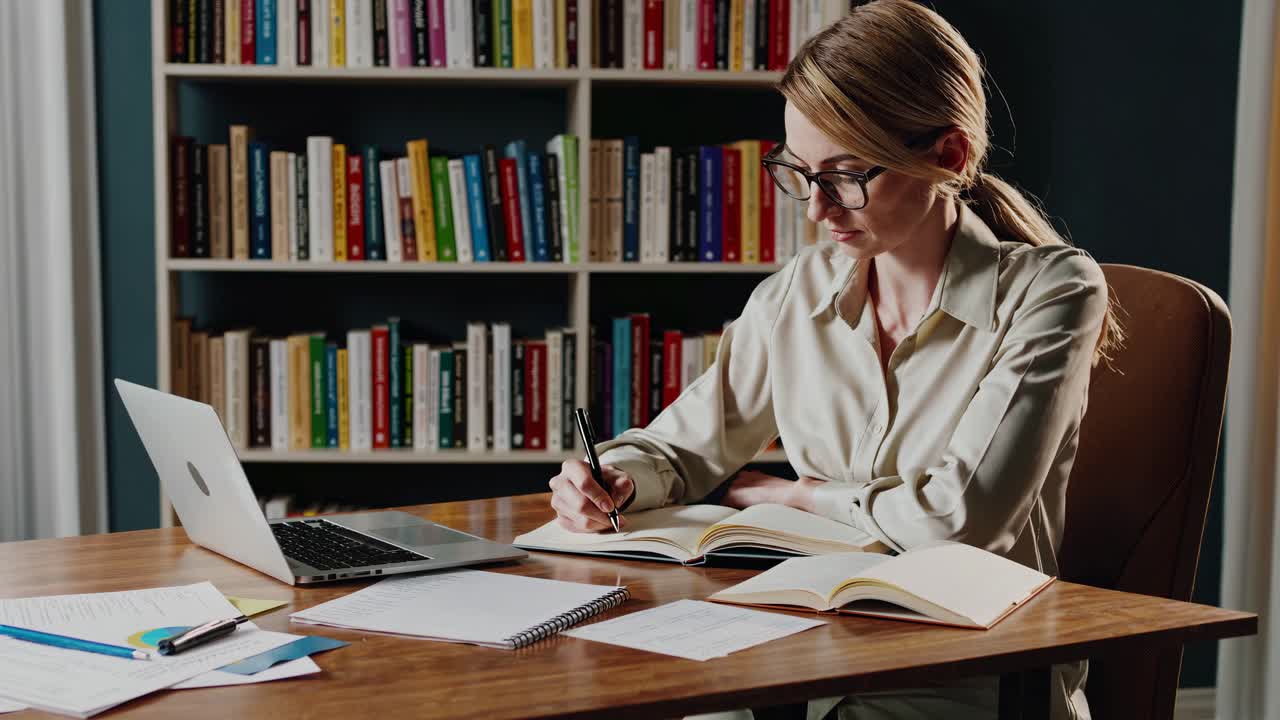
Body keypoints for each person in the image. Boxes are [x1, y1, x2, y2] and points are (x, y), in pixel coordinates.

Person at [547, 1, 1122, 717]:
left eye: (846, 176)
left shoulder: (1052, 289)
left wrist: (800, 496)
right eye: (799, 172)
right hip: (796, 663)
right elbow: (681, 446)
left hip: (961, 685)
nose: (817, 211)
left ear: (949, 154)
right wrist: (614, 481)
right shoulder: (797, 294)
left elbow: (958, 521)